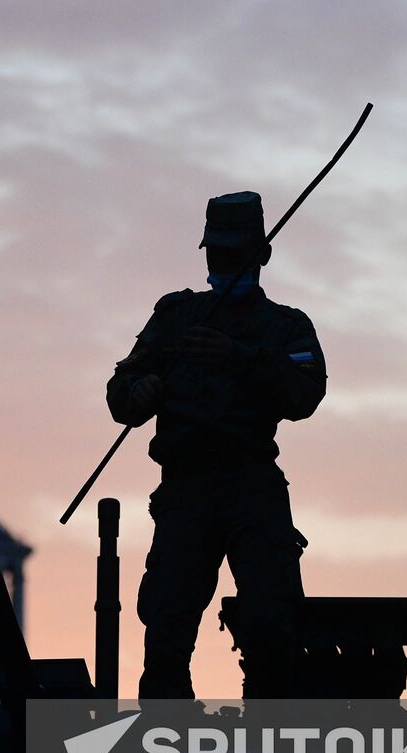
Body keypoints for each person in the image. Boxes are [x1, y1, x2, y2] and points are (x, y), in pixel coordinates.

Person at [106, 191, 327, 700]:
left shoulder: (285, 326)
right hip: (185, 488)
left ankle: (268, 744)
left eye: (235, 251)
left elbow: (304, 396)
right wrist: (136, 392)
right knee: (165, 627)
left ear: (261, 254)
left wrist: (240, 357)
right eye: (216, 251)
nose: (222, 262)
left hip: (252, 487)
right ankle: (167, 747)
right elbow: (123, 391)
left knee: (272, 626)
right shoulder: (175, 316)